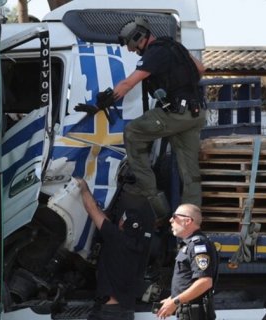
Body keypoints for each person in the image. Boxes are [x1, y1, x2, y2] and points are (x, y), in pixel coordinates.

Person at [111, 17, 207, 218]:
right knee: (190, 172)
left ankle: (152, 197)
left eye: (131, 46)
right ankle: (191, 218)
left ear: (139, 37)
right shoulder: (174, 46)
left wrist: (103, 101)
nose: (131, 50)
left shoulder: (154, 53)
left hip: (176, 114)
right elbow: (200, 69)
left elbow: (129, 83)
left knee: (132, 132)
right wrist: (182, 86)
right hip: (195, 112)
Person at [77, 178, 153, 320]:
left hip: (108, 313)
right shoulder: (140, 245)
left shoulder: (116, 238)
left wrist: (83, 187)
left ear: (122, 224)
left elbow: (92, 209)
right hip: (126, 311)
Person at [156, 204, 218, 320]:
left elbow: (205, 282)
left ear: (188, 221)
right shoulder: (189, 245)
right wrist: (172, 298)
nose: (170, 220)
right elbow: (188, 281)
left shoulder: (199, 245)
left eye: (174, 217)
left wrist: (175, 301)